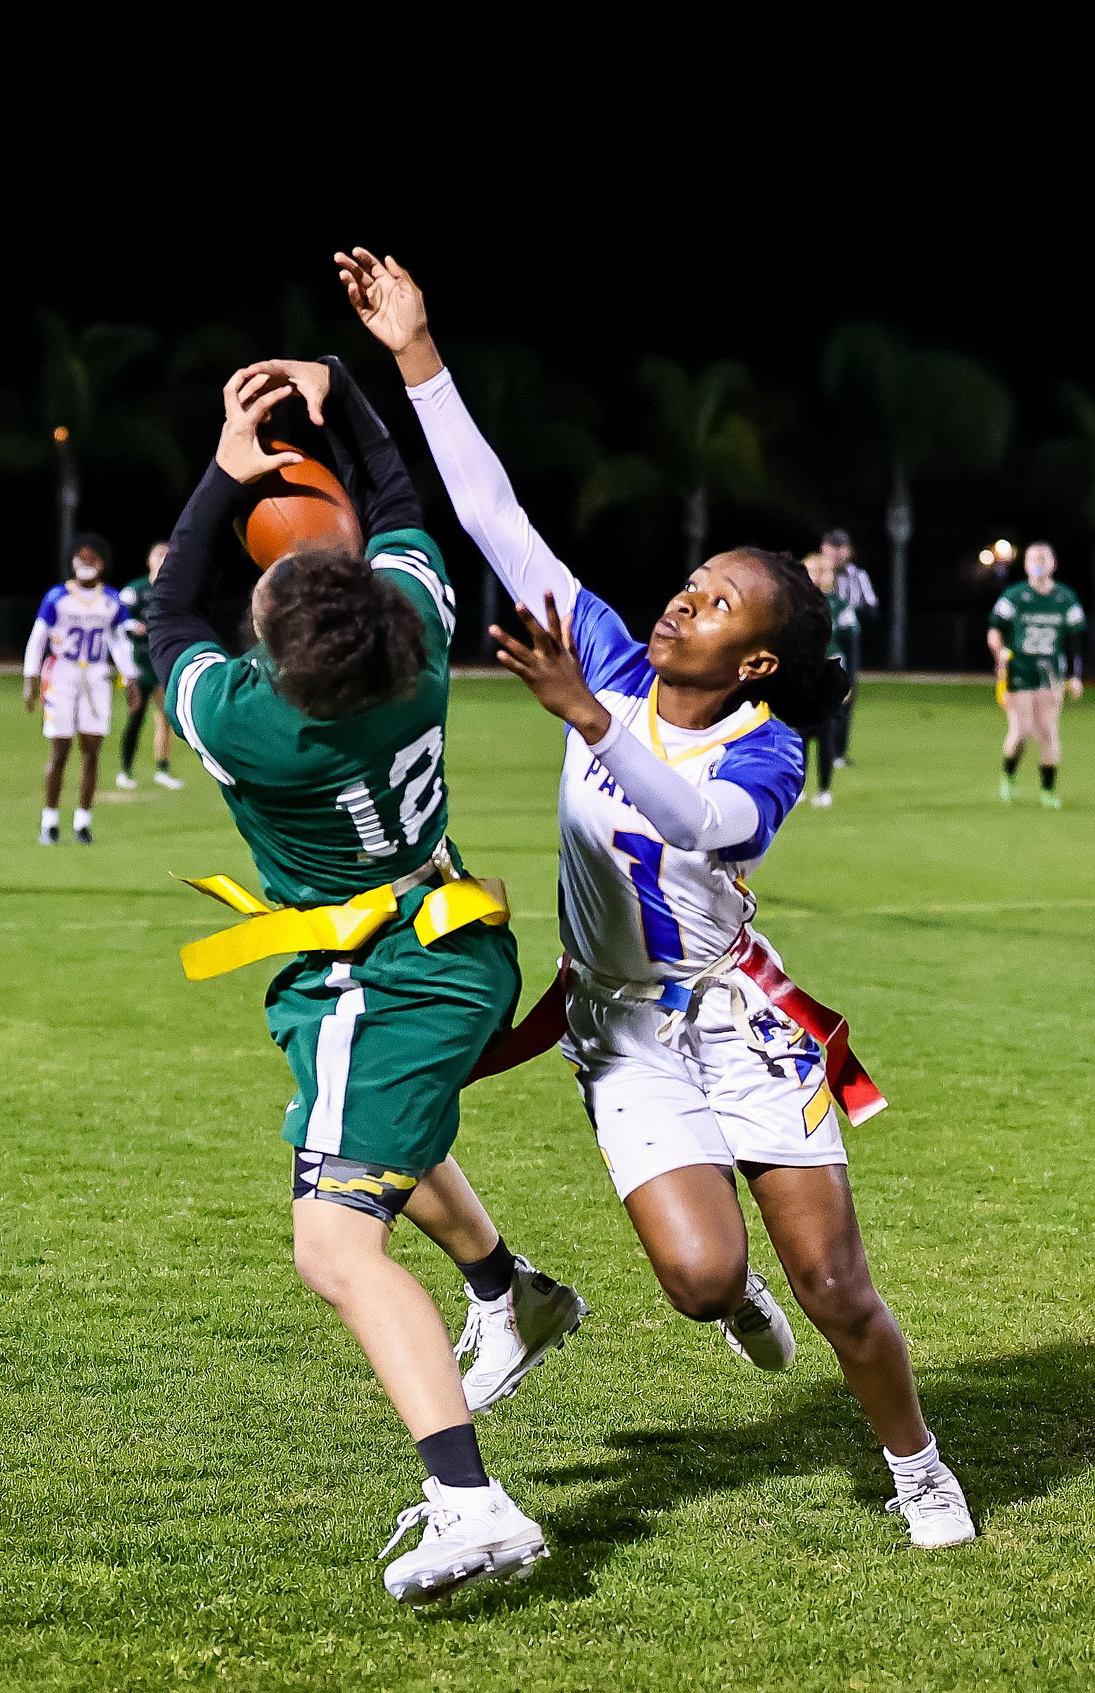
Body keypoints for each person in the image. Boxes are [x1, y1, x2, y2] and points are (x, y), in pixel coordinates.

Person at [342, 245, 976, 1551]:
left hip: (739, 1019)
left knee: (837, 1286)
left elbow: (701, 825)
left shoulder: (763, 751)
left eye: (718, 599)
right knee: (699, 1278)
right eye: (695, 579)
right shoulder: (614, 661)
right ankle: (736, 1304)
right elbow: (496, 516)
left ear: (756, 660)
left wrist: (587, 720)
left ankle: (919, 1471)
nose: (685, 597)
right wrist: (415, 351)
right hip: (621, 1028)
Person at [147, 354, 587, 1607]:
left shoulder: (254, 725)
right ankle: (510, 1293)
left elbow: (167, 616)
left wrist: (221, 474)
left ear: (275, 652)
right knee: (369, 1134)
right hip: (450, 937)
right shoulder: (419, 640)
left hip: (375, 979)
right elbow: (399, 508)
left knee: (335, 1246)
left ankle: (471, 1501)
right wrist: (342, 386)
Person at [22, 533, 142, 843]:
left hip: (96, 676)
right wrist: (30, 678)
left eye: (92, 558)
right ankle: (49, 820)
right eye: (82, 557)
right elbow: (38, 637)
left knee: (91, 749)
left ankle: (82, 821)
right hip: (62, 674)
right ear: (73, 560)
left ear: (103, 563)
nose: (86, 562)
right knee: (59, 749)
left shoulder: (111, 599)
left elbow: (119, 642)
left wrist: (130, 679)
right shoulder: (57, 596)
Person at [987, 541, 1086, 808]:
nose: (1039, 563)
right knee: (1021, 731)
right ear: (1026, 564)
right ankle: (1008, 776)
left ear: (1054, 563)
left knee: (1049, 732)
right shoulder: (1014, 596)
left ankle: (1048, 791)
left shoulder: (1065, 598)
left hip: (1050, 671)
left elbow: (1075, 639)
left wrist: (1075, 675)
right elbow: (995, 629)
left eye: (1044, 558)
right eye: (1033, 558)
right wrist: (1000, 653)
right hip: (1019, 668)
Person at [116, 541, 185, 790]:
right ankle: (125, 770)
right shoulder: (136, 589)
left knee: (166, 717)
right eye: (159, 554)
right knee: (136, 717)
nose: (163, 558)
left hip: (162, 662)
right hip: (139, 663)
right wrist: (134, 627)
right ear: (149, 559)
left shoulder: (174, 590)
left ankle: (162, 769)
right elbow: (117, 619)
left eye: (168, 554)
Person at [799, 551, 854, 808]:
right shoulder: (795, 604)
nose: (816, 577)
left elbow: (846, 643)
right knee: (799, 734)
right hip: (803, 673)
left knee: (824, 733)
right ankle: (798, 787)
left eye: (821, 571)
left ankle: (823, 790)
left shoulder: (837, 604)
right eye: (811, 571)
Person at [821, 528, 878, 767]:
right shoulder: (814, 570)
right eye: (832, 546)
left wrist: (849, 612)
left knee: (845, 691)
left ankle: (837, 751)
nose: (837, 552)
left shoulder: (857, 575)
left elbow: (871, 606)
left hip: (846, 637)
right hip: (819, 637)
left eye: (841, 547)